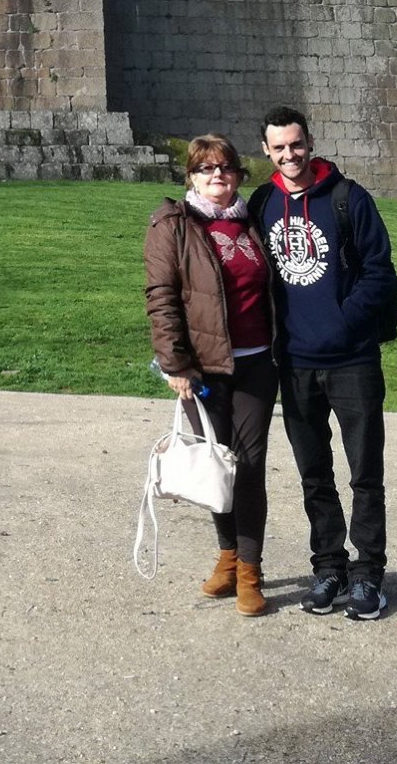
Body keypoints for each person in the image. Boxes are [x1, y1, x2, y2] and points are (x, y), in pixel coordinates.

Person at [250, 105, 397, 621]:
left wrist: (342, 324)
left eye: (296, 144)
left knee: (365, 474)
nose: (289, 154)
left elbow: (380, 272)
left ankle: (368, 575)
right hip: (293, 364)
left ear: (309, 142)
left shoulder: (348, 199)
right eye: (279, 148)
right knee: (314, 474)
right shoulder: (263, 202)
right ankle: (329, 566)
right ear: (267, 151)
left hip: (352, 360)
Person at [143, 134, 278, 616]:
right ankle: (227, 557)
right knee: (218, 466)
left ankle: (250, 570)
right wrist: (175, 364)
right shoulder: (172, 223)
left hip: (258, 362)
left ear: (239, 174)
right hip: (204, 370)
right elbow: (161, 296)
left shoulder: (255, 222)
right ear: (191, 177)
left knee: (251, 465)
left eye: (224, 167)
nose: (216, 175)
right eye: (205, 168)